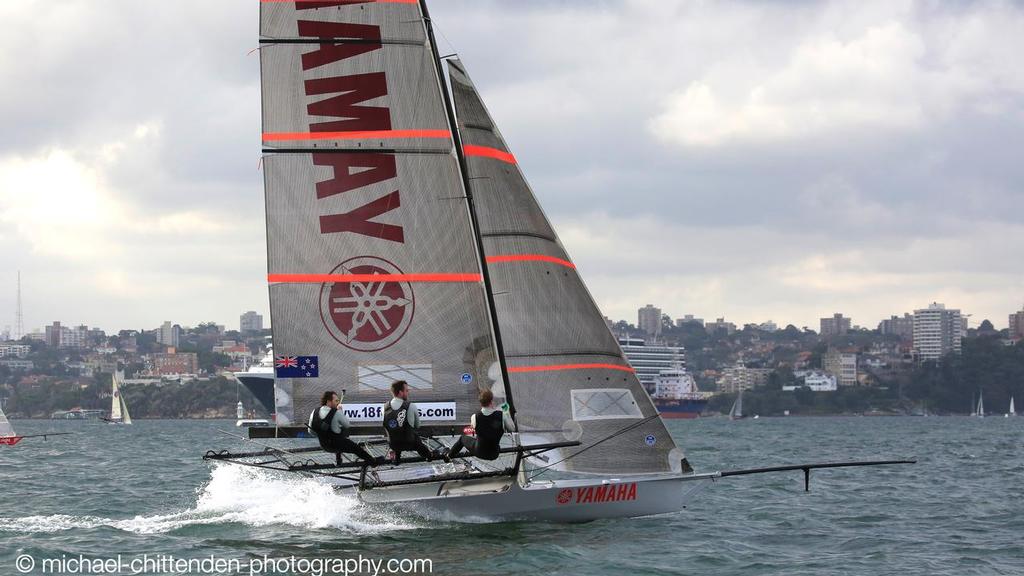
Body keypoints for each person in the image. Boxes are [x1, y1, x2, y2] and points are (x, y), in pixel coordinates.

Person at [308, 390, 381, 467]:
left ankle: (338, 459)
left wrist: (323, 433)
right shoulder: (336, 412)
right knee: (356, 448)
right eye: (336, 401)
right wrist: (340, 412)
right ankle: (373, 462)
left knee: (335, 431)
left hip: (324, 445)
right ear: (329, 401)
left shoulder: (314, 412)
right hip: (338, 445)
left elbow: (311, 432)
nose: (338, 402)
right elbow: (347, 425)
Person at [445, 389, 515, 462]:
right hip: (494, 454)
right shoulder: (502, 415)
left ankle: (449, 456)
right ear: (492, 401)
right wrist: (506, 413)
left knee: (462, 439)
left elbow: (478, 429)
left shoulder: (474, 417)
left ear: (481, 403)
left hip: (479, 452)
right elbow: (512, 428)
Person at [382, 380, 441, 464]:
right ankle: (429, 456)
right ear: (400, 392)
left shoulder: (385, 407)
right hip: (409, 443)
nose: (408, 392)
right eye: (406, 390)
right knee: (416, 439)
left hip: (393, 444)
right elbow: (417, 425)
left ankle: (397, 458)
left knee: (396, 432)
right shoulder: (410, 406)